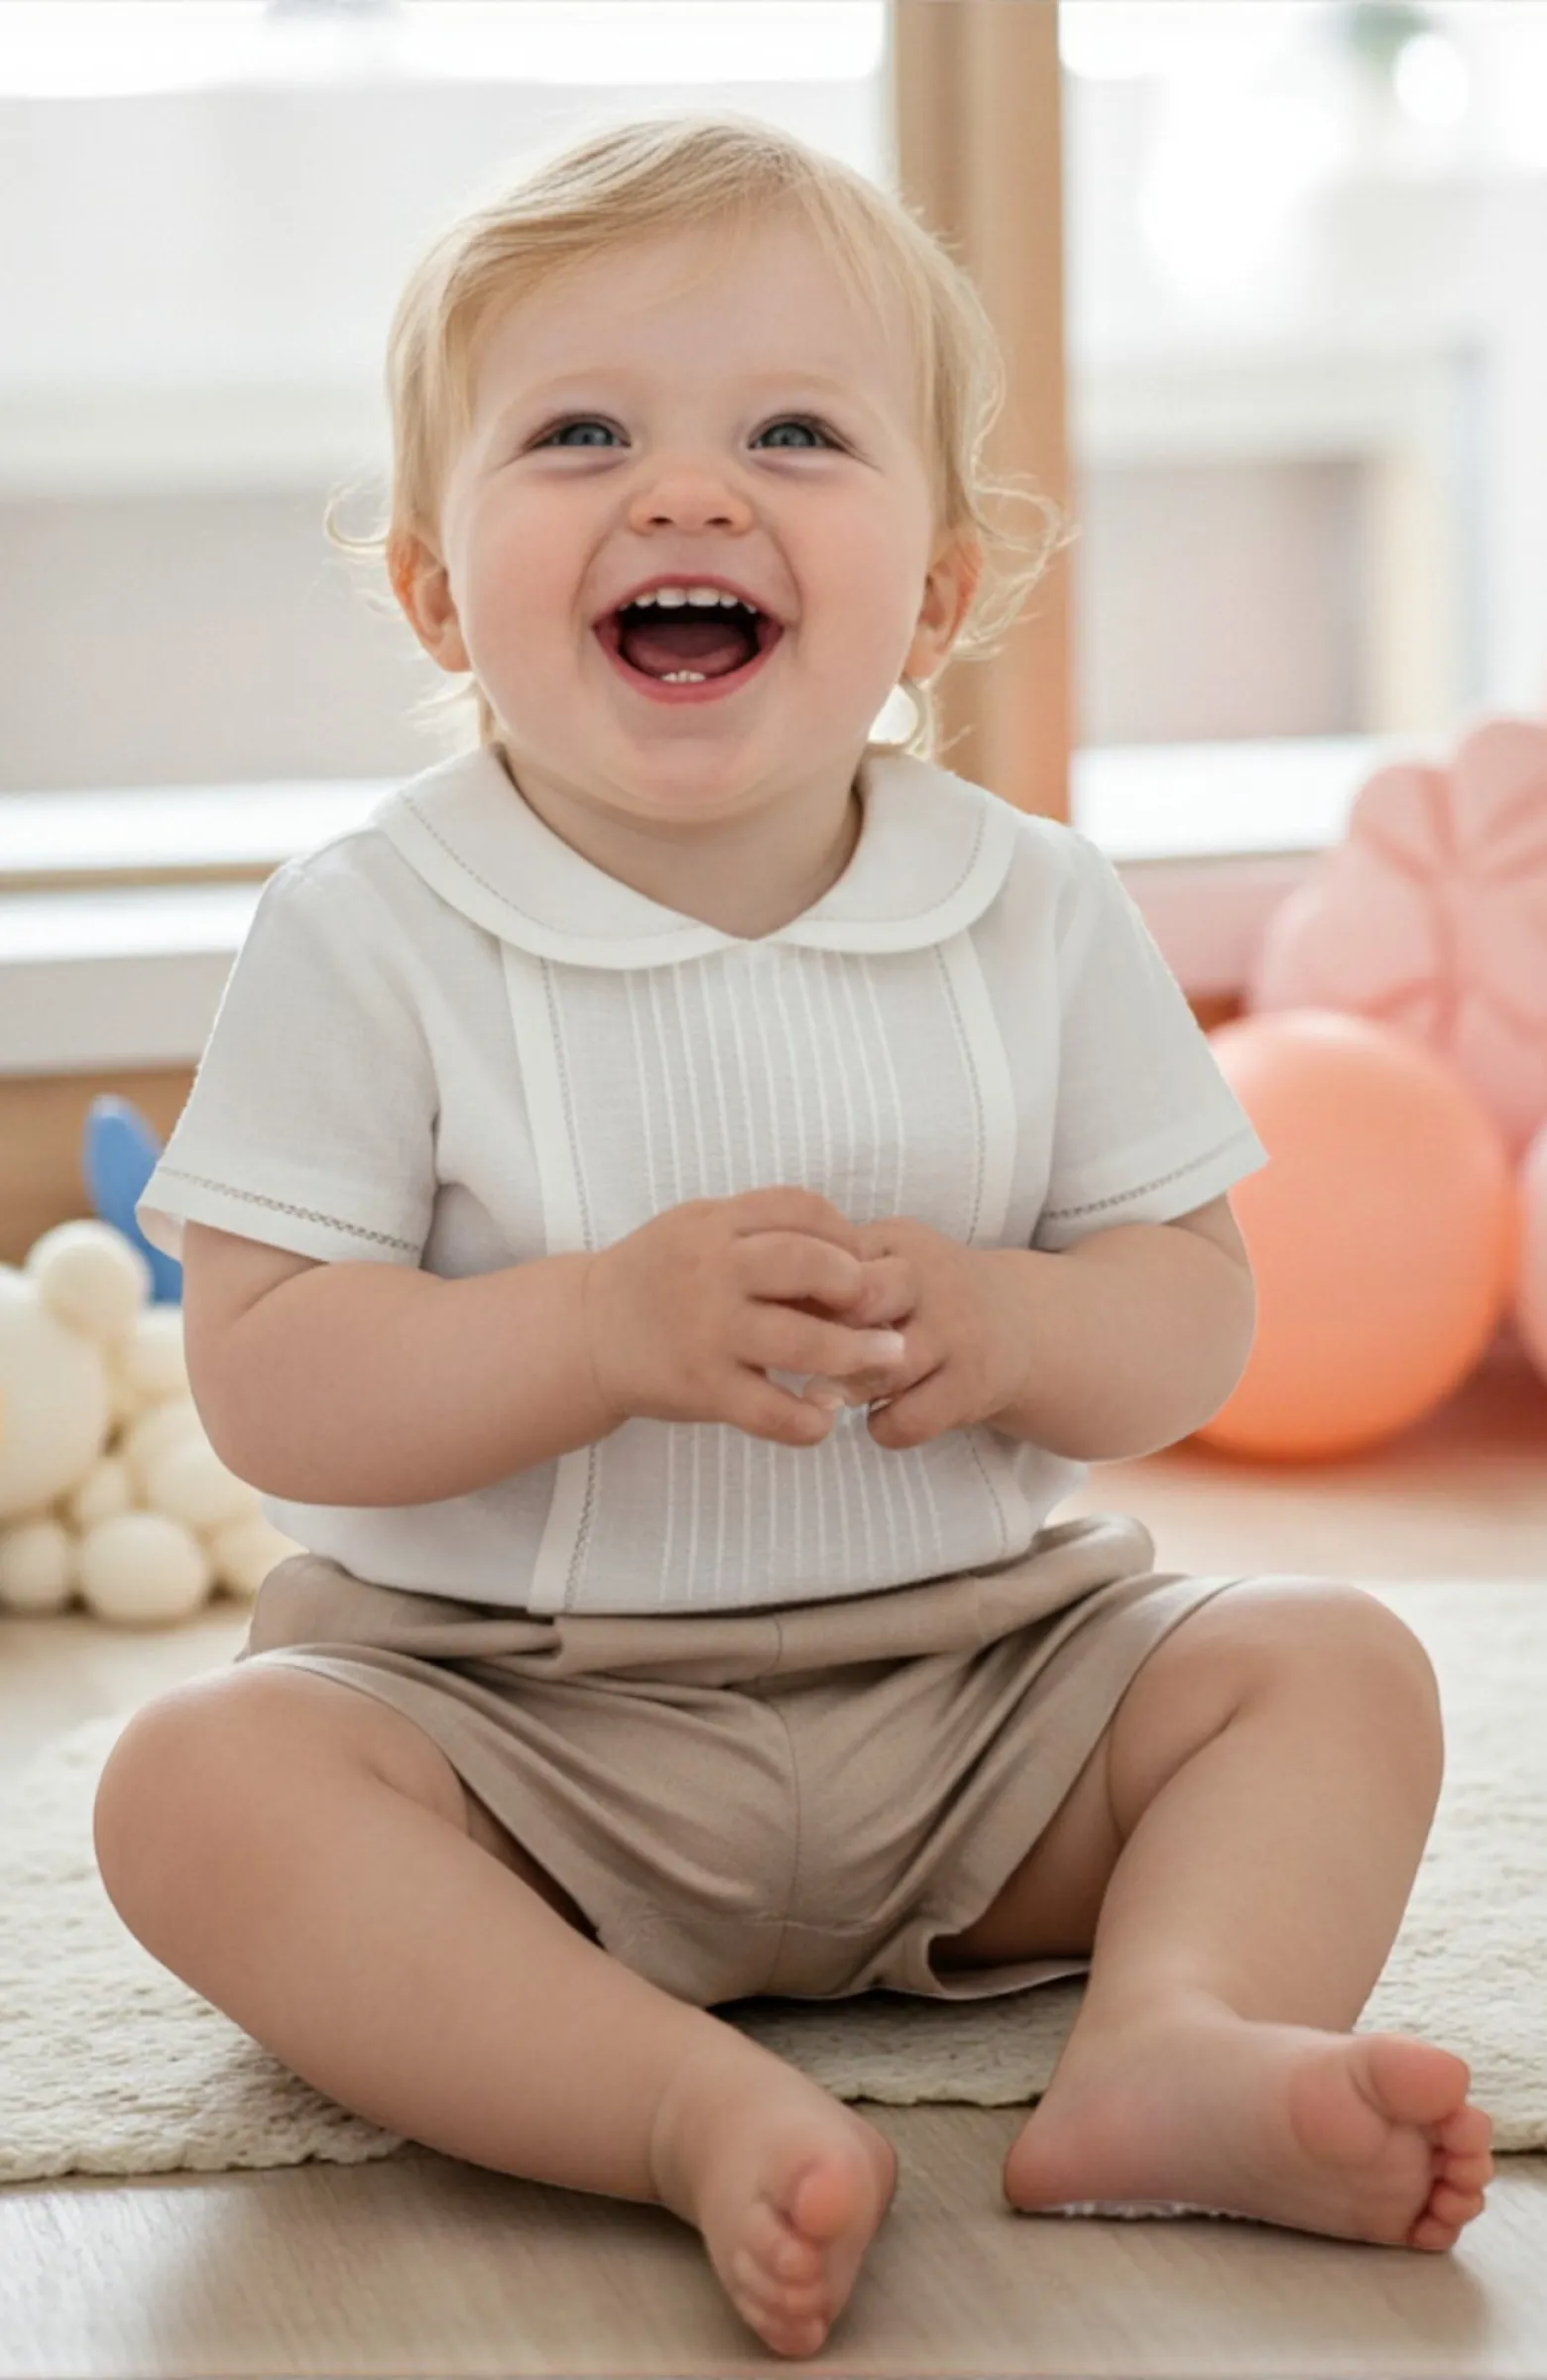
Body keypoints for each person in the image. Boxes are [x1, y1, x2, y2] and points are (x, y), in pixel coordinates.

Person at [91, 113, 1492, 2363]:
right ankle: (666, 2102)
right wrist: (587, 1329)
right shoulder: (372, 930)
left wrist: (1026, 1321)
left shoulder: (1032, 907)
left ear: (936, 590)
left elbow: (1193, 1319)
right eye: (578, 434)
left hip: (987, 1708)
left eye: (793, 434)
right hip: (516, 1744)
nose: (688, 494)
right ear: (437, 594)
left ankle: (1176, 2034)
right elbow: (270, 1378)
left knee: (1331, 1662)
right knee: (199, 1791)